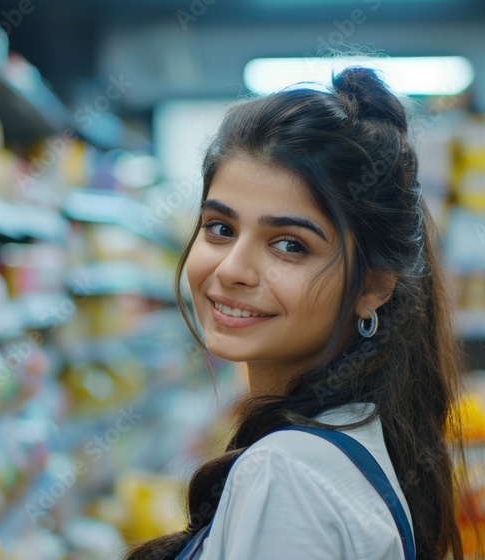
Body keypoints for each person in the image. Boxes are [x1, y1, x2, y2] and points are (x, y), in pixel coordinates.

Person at [126, 67, 466, 560]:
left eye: (289, 245)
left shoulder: (286, 476)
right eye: (220, 228)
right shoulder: (356, 435)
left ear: (371, 286)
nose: (233, 269)